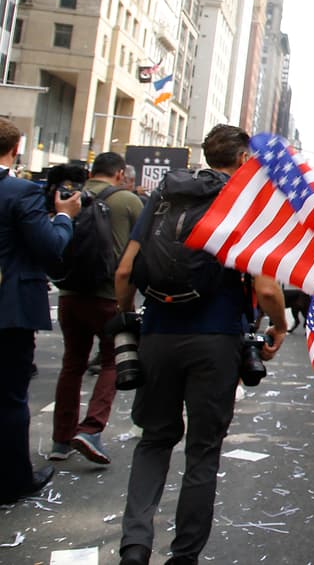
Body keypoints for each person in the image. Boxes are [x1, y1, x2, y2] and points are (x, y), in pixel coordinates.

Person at [114, 125, 287, 565]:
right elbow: (267, 288)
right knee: (203, 451)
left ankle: (135, 545)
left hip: (157, 334)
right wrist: (280, 325)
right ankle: (184, 555)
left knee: (154, 440)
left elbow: (125, 270)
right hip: (217, 338)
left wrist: (128, 318)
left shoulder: (164, 195)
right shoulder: (246, 203)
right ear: (243, 159)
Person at [0, 117, 80, 504]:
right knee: (10, 397)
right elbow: (50, 246)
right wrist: (64, 217)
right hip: (8, 309)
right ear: (16, 149)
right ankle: (13, 480)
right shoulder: (20, 192)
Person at [49, 151, 143, 464]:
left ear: (91, 172)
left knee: (72, 364)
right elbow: (141, 250)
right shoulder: (128, 201)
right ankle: (91, 429)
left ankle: (61, 439)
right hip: (108, 296)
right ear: (120, 174)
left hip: (70, 294)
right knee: (112, 361)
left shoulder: (70, 196)